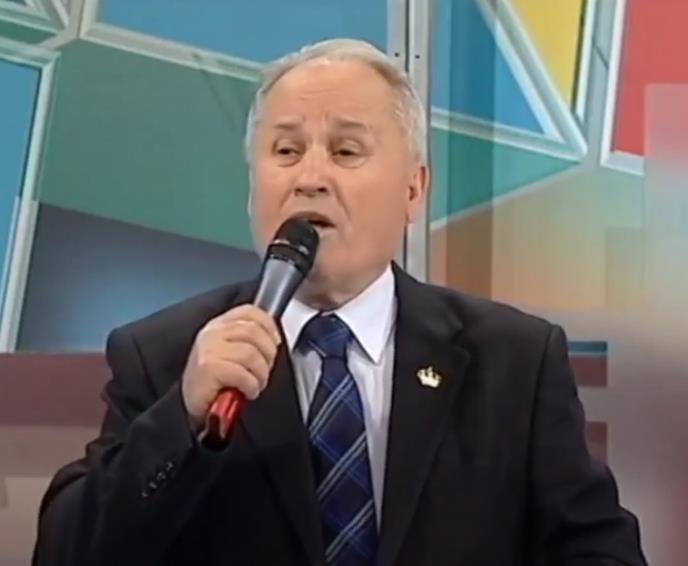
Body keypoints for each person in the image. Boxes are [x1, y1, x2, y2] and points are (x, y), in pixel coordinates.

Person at [32, 38, 646, 566]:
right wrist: (181, 420)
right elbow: (65, 554)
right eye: (286, 151)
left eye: (346, 151)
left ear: (413, 189)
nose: (310, 177)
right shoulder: (165, 355)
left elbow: (599, 551)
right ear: (252, 185)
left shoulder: (516, 360)